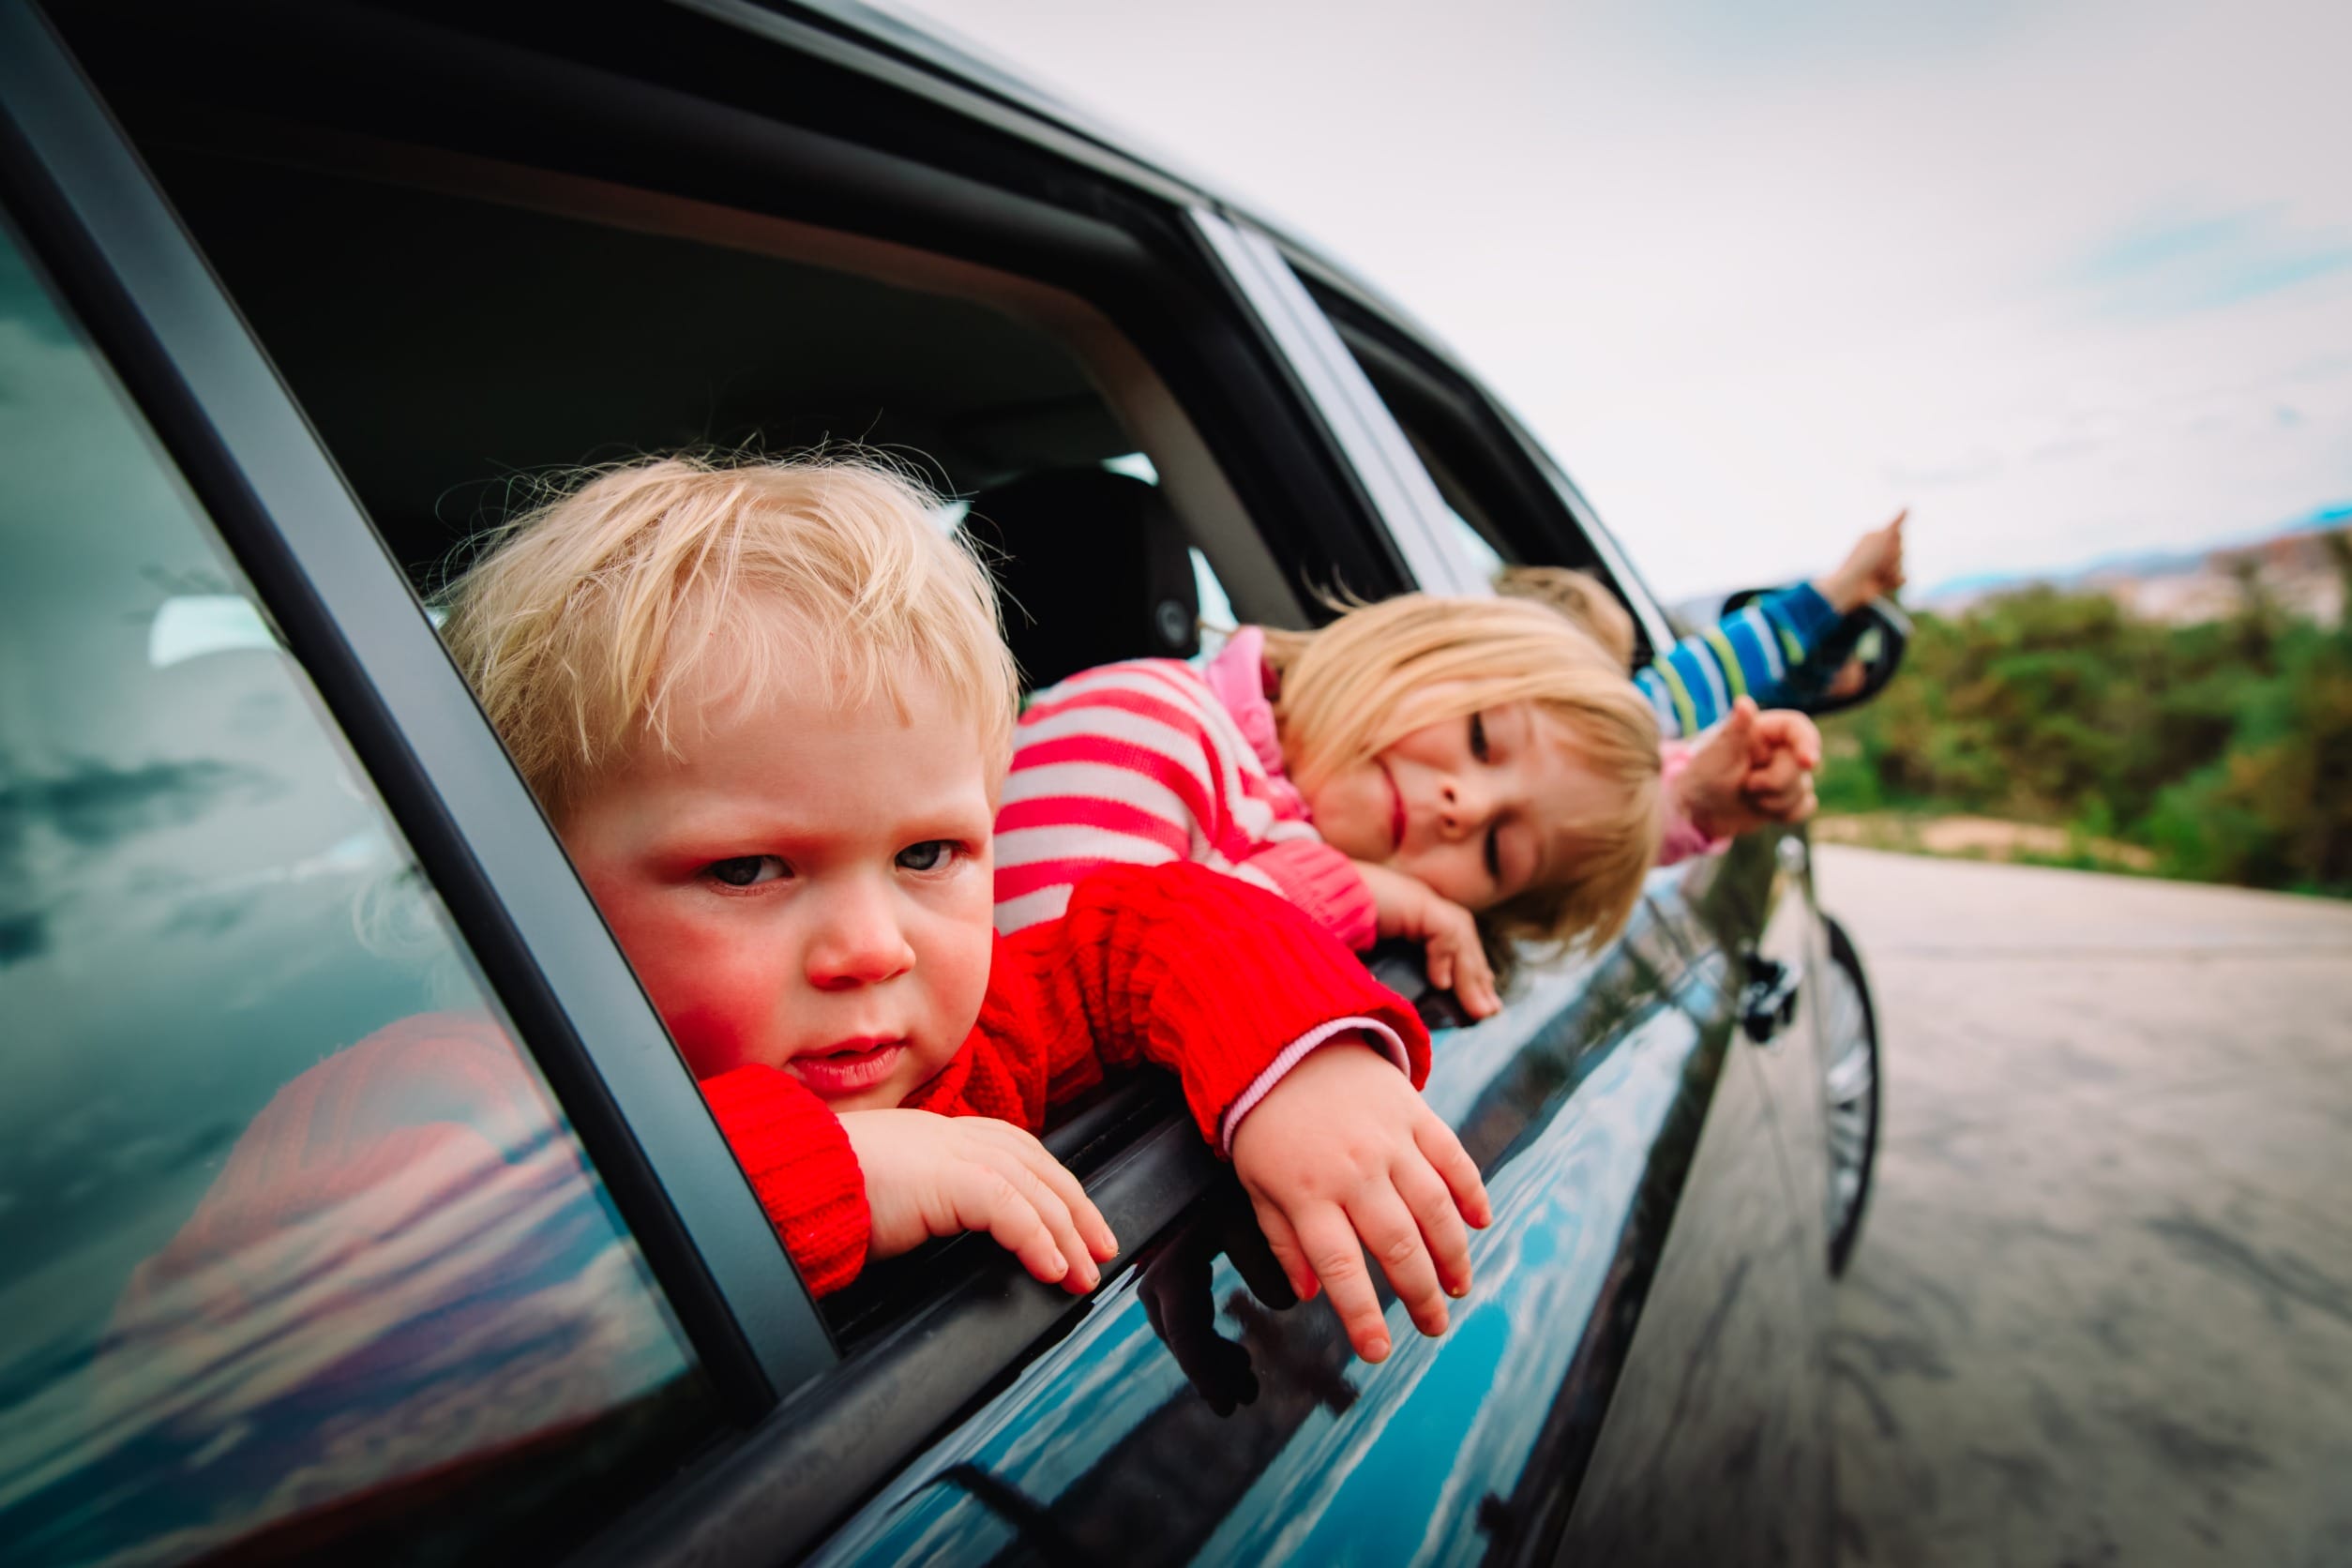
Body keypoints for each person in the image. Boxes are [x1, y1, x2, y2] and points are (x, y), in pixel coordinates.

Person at [128, 457, 1489, 1370]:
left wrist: (1302, 1067)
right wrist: (819, 1176)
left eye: (930, 853)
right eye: (747, 871)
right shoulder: (453, 1097)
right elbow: (269, 1356)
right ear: (520, 879)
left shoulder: (978, 1035)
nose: (872, 949)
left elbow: (1154, 925)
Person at [994, 591, 1820, 1022]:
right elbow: (1053, 1012)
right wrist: (1358, 892)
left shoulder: (1269, 810)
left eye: (1498, 854)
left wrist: (1695, 803)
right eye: (1481, 737)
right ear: (1418, 647)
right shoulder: (1149, 729)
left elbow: (1572, 827)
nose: (1466, 805)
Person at [1497, 509, 1908, 738]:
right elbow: (1695, 681)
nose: (1622, 707)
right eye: (1620, 688)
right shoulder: (1607, 744)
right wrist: (1839, 587)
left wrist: (1842, 590)